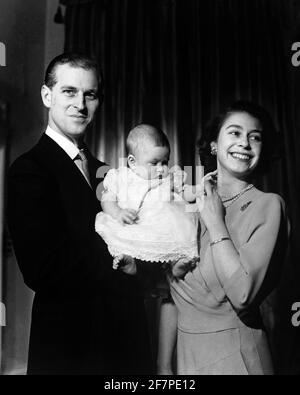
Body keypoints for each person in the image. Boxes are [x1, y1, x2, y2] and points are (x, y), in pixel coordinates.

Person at [7, 53, 153, 375]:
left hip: (123, 343)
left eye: (90, 94)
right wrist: (122, 261)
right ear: (47, 96)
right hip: (70, 347)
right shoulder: (30, 170)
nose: (81, 104)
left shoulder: (106, 171)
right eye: (69, 92)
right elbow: (41, 268)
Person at [157, 101, 289, 375]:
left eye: (255, 137)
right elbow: (168, 292)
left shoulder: (268, 206)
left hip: (238, 356)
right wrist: (162, 364)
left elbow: (242, 295)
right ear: (214, 144)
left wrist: (216, 223)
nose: (245, 143)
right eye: (235, 133)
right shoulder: (187, 200)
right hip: (187, 356)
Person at [95, 124, 199, 276]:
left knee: (177, 237)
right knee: (124, 240)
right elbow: (107, 200)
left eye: (165, 162)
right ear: (133, 162)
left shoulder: (168, 177)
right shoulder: (120, 177)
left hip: (164, 224)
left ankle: (175, 265)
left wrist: (198, 190)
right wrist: (118, 213)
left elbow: (184, 193)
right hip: (135, 223)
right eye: (154, 163)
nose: (161, 168)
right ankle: (131, 262)